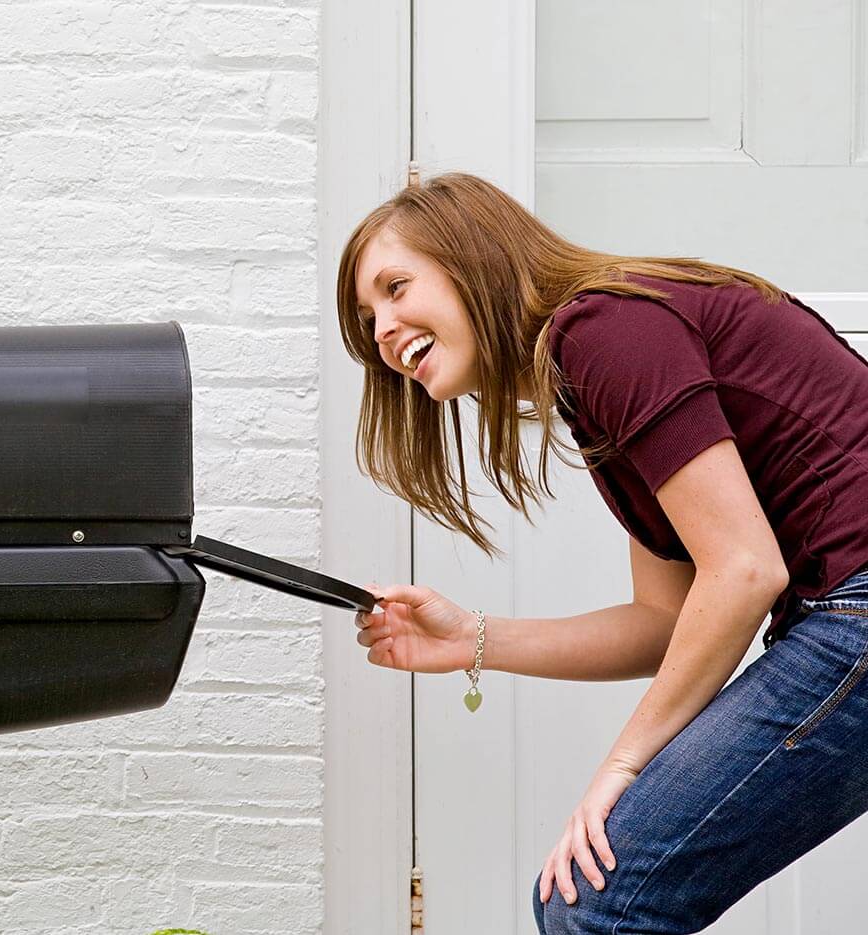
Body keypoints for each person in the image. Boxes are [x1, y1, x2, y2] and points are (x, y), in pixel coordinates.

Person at [339, 170, 868, 934]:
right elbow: (663, 620)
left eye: (396, 286)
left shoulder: (603, 328)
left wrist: (620, 767)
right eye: (368, 316)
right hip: (843, 609)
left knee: (596, 901)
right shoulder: (595, 353)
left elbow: (747, 570)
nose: (383, 329)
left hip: (853, 606)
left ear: (473, 257)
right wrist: (472, 638)